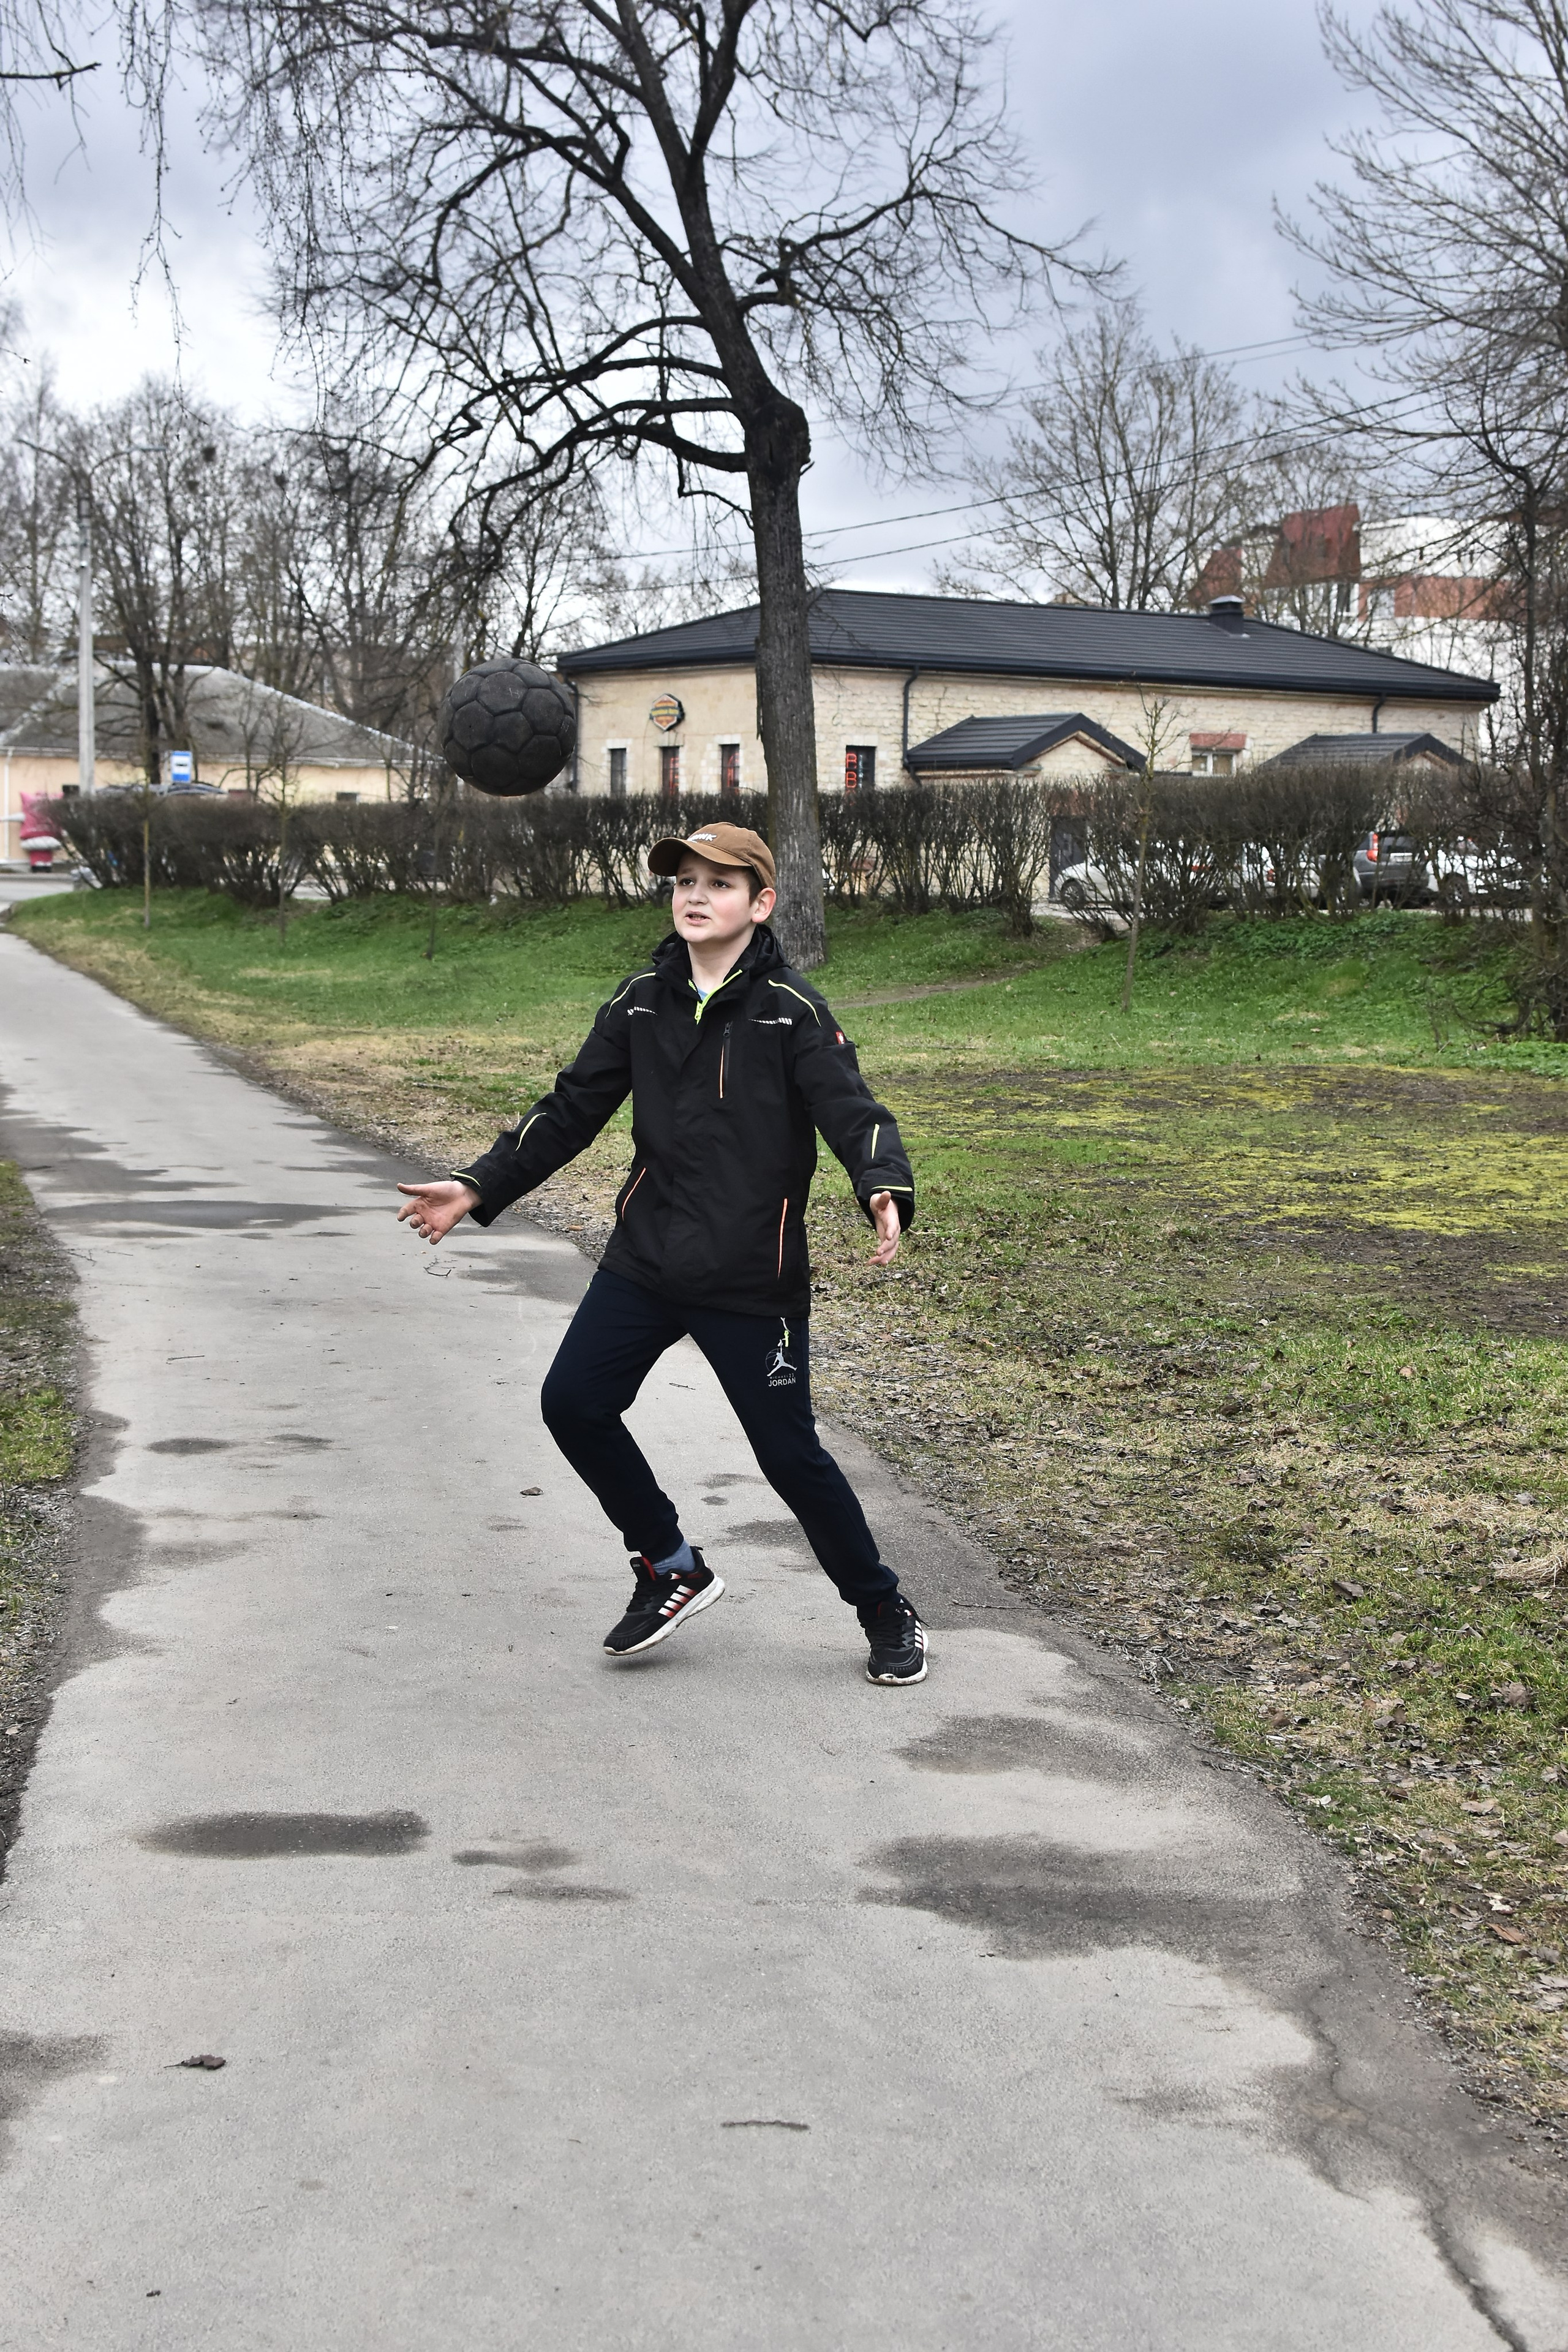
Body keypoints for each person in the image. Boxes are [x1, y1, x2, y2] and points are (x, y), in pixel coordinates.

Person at [395, 820, 928, 1687]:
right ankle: (670, 1564)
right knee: (573, 1403)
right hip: (647, 1259)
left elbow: (852, 1107)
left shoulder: (791, 1011)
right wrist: (478, 1185)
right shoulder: (642, 996)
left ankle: (882, 1607)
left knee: (790, 1457)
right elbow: (569, 1109)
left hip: (751, 1274)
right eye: (683, 880)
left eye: (718, 883)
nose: (694, 895)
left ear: (761, 903)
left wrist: (882, 1185)